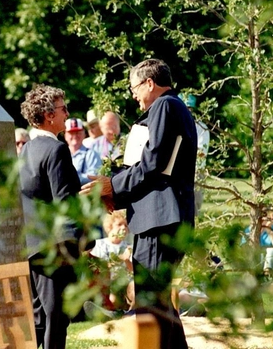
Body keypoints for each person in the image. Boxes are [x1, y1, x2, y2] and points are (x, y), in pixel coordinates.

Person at [81, 59, 197, 349]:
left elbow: (154, 161)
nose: (132, 94)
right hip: (162, 217)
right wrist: (116, 194)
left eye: (134, 87)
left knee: (149, 304)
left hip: (160, 218)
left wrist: (112, 186)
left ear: (149, 83)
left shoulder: (164, 106)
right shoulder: (173, 107)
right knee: (159, 304)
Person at [19, 83, 82, 349]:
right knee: (56, 318)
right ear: (48, 115)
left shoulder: (26, 151)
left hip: (30, 247)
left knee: (39, 317)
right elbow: (65, 204)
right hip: (53, 247)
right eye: (63, 108)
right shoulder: (56, 150)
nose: (67, 114)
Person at [88, 210, 134, 311]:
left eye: (126, 225)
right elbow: (97, 268)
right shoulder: (99, 245)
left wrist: (126, 261)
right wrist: (119, 259)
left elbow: (133, 271)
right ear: (109, 227)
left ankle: (129, 312)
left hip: (124, 284)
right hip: (107, 284)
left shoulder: (128, 247)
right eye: (119, 224)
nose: (123, 228)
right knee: (112, 298)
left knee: (134, 289)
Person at [243, 211, 273, 291]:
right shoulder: (249, 231)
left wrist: (269, 232)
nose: (263, 220)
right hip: (258, 265)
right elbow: (244, 251)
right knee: (257, 256)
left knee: (272, 250)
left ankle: (267, 275)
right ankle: (263, 282)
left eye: (267, 218)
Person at [179, 93, 210, 214]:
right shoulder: (173, 127)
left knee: (194, 209)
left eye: (190, 108)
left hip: (196, 172)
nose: (187, 111)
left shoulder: (201, 128)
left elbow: (201, 153)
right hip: (177, 173)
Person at [64, 118, 102, 185]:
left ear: (84, 134)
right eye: (71, 133)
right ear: (65, 136)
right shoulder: (61, 154)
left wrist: (67, 178)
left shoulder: (92, 154)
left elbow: (93, 177)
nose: (75, 136)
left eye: (78, 132)